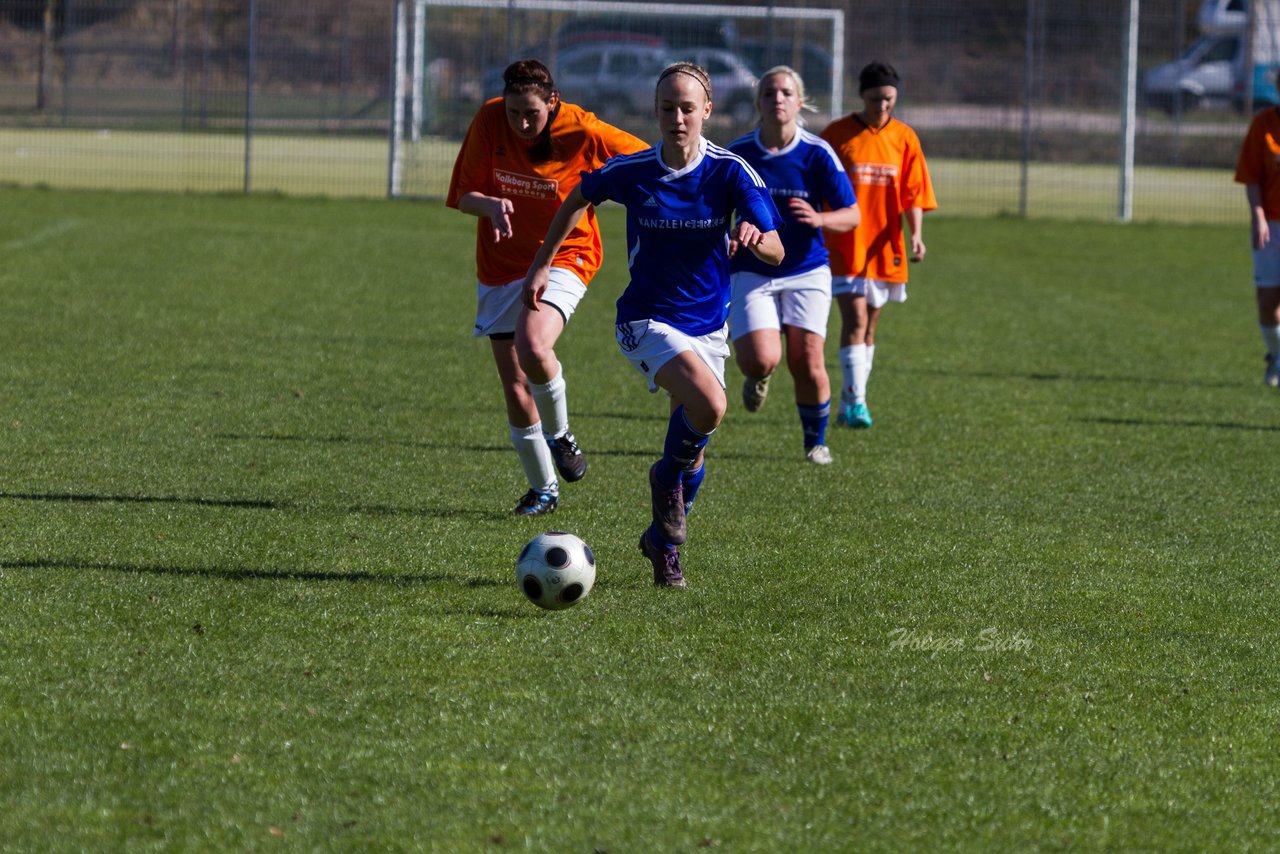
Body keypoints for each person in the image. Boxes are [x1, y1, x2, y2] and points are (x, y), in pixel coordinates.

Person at [523, 62, 784, 587]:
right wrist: (544, 260)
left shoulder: (731, 172)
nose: (678, 118)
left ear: (707, 110)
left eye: (688, 108)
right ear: (656, 111)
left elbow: (778, 249)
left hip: (708, 327)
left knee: (696, 451)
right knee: (709, 406)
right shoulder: (635, 169)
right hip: (645, 320)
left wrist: (757, 237)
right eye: (668, 108)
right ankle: (661, 479)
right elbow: (578, 195)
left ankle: (661, 546)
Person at [446, 60, 647, 516]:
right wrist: (491, 205)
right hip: (500, 264)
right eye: (513, 111)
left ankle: (560, 434)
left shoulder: (584, 130)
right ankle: (543, 491)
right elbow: (462, 195)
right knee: (516, 386)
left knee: (533, 345)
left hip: (565, 255)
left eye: (530, 114)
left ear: (552, 102)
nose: (519, 123)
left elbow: (647, 159)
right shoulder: (489, 118)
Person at [725, 66, 860, 464]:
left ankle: (815, 443)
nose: (777, 99)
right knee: (760, 358)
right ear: (759, 103)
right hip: (753, 269)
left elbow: (851, 214)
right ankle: (758, 376)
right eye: (769, 93)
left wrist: (820, 220)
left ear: (800, 102)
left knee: (806, 361)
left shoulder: (816, 152)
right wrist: (730, 236)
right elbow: (715, 210)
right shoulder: (739, 153)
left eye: (786, 93)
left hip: (806, 270)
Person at [820, 61, 937, 429]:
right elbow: (815, 183)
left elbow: (912, 194)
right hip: (845, 243)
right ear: (861, 96)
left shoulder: (905, 138)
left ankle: (852, 399)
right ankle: (855, 403)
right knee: (854, 319)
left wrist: (915, 235)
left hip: (885, 246)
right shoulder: (837, 134)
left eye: (888, 99)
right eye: (875, 99)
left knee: (870, 324)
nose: (882, 106)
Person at [1233, 95, 1280, 388]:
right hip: (1271, 226)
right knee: (1268, 305)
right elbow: (1251, 177)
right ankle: (1276, 357)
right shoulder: (1263, 125)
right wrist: (1258, 217)